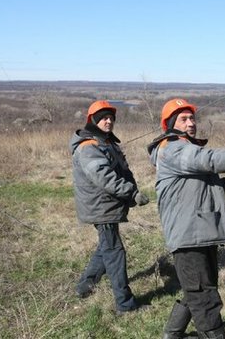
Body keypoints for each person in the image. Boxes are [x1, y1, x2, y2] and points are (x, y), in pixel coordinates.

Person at [147, 98, 225, 339]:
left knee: (198, 289)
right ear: (171, 124)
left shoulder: (184, 148)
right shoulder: (172, 147)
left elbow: (195, 181)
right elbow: (209, 159)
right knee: (204, 298)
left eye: (192, 118)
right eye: (183, 119)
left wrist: (217, 186)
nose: (190, 123)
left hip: (201, 230)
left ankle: (172, 334)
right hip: (188, 236)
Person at [70, 100, 151, 315]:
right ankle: (125, 304)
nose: (108, 121)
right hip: (101, 207)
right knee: (115, 252)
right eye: (103, 118)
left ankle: (85, 285)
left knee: (105, 247)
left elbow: (122, 169)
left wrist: (131, 191)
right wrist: (131, 193)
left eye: (111, 118)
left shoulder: (105, 142)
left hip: (106, 205)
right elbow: (104, 177)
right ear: (94, 121)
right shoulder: (89, 148)